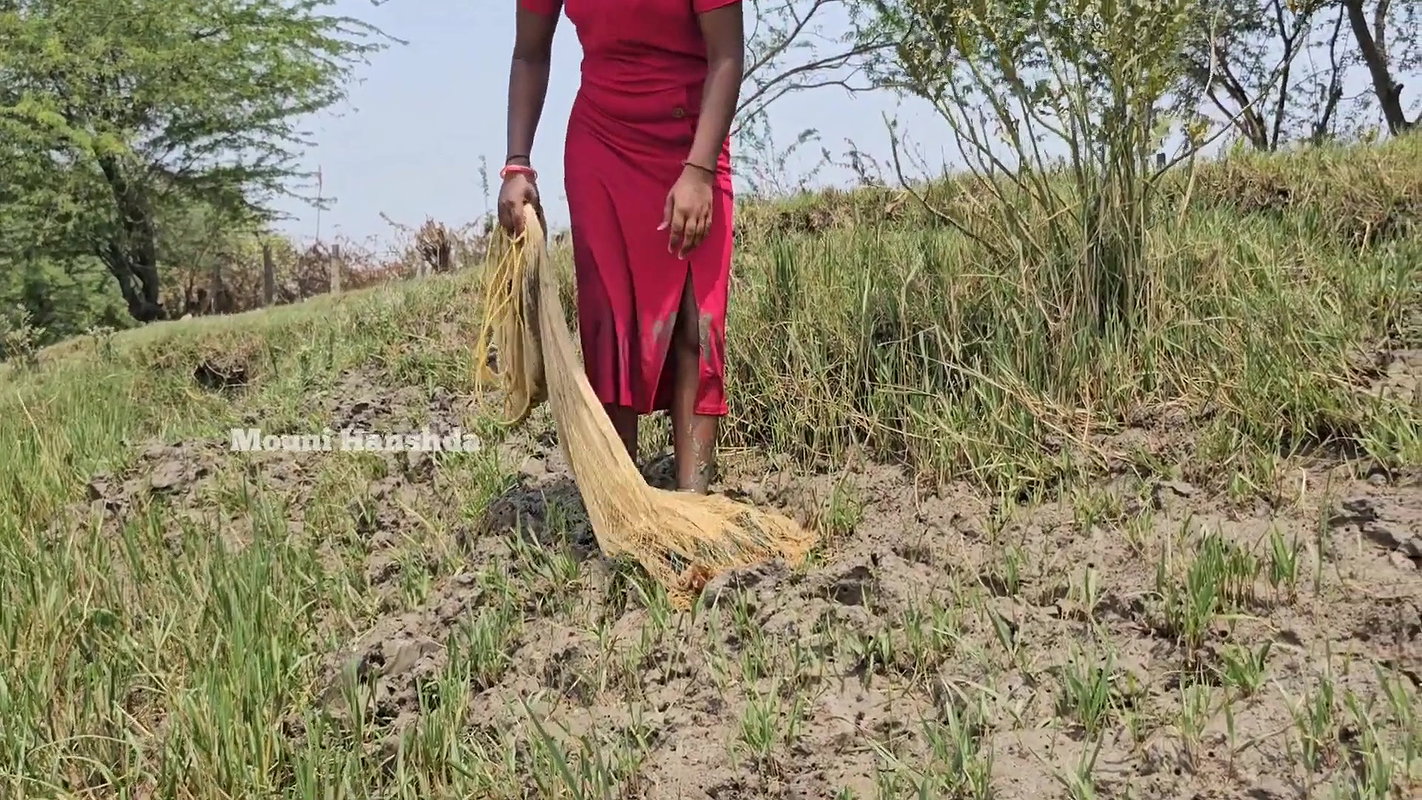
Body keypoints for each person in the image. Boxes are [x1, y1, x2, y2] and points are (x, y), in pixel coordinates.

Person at [497, 0, 744, 495]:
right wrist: (516, 164)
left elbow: (727, 57)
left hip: (690, 140)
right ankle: (621, 496)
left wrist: (697, 173)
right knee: (609, 322)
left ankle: (694, 497)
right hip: (602, 146)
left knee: (697, 321)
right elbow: (529, 54)